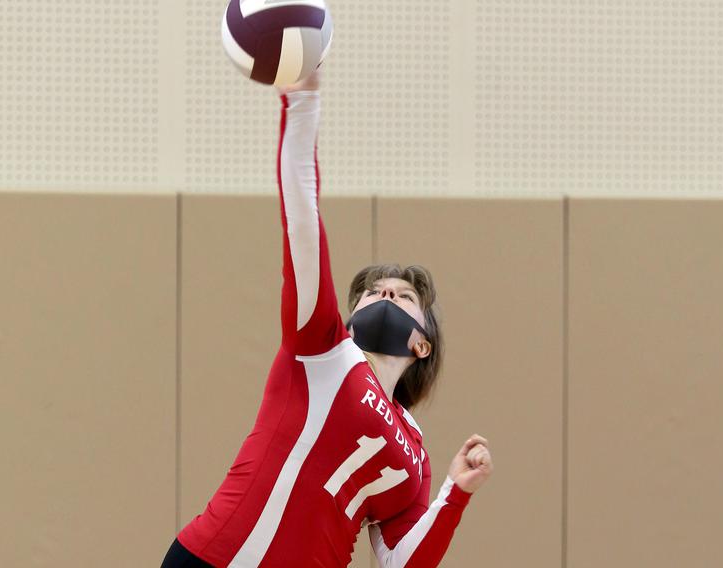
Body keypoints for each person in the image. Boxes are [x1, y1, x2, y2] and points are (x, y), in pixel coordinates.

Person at [162, 69, 493, 568]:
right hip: (211, 559)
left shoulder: (415, 456)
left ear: (424, 344)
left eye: (402, 296)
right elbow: (301, 215)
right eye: (371, 292)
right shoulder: (319, 346)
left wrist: (456, 491)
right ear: (349, 316)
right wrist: (302, 105)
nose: (384, 294)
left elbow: (404, 562)